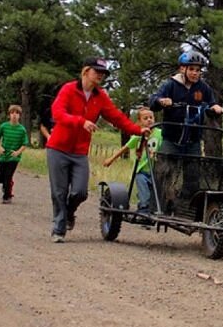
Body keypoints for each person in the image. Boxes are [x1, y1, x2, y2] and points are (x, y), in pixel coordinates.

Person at [46, 57, 151, 243]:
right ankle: (59, 228)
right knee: (59, 192)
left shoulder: (100, 96)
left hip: (79, 152)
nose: (100, 76)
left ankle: (68, 213)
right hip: (58, 148)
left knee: (80, 192)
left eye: (103, 73)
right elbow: (57, 113)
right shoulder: (69, 89)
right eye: (97, 72)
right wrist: (81, 121)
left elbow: (116, 117)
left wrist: (138, 130)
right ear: (86, 71)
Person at [149, 50, 223, 156]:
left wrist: (215, 108)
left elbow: (211, 103)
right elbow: (153, 101)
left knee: (194, 171)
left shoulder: (203, 87)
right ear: (182, 69)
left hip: (193, 142)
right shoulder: (171, 85)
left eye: (198, 70)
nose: (195, 73)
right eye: (191, 69)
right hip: (171, 140)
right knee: (165, 170)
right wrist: (161, 101)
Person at [103, 107, 162, 215]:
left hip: (156, 171)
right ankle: (143, 208)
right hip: (142, 171)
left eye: (151, 117)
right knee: (144, 190)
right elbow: (125, 148)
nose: (149, 120)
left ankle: (150, 208)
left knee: (156, 192)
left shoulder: (160, 133)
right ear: (139, 121)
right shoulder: (137, 135)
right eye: (145, 118)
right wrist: (111, 159)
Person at [0, 104, 28, 204]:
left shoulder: (22, 130)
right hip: (3, 156)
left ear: (19, 116)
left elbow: (25, 144)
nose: (14, 115)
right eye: (12, 113)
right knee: (0, 177)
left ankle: (7, 196)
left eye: (17, 113)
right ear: (9, 115)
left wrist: (18, 152)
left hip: (14, 157)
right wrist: (0, 147)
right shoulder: (4, 126)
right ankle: (6, 184)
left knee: (8, 176)